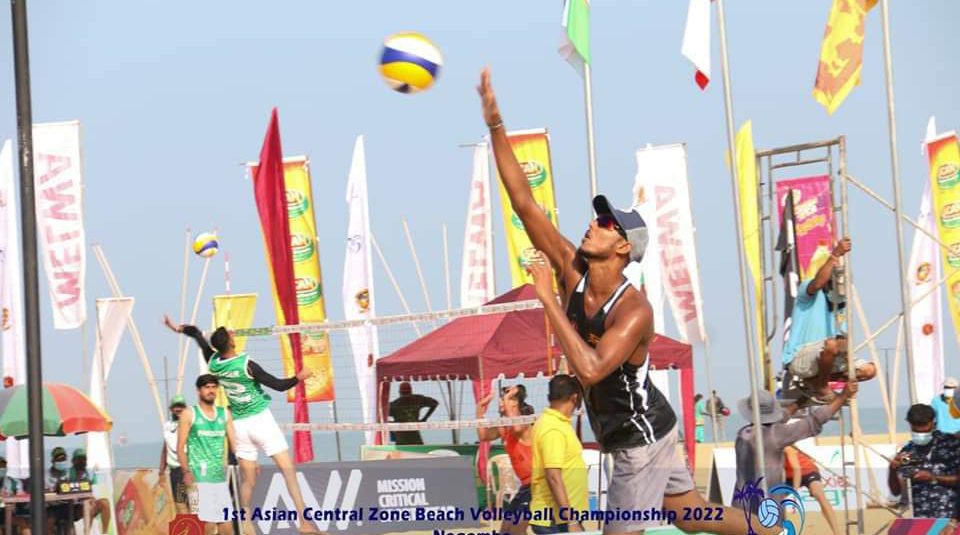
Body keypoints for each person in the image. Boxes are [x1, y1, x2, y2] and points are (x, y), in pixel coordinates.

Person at [478, 68, 776, 535]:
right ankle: (772, 531)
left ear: (623, 249)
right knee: (690, 514)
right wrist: (496, 126)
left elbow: (593, 369)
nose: (594, 224)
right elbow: (524, 204)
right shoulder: (572, 271)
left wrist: (546, 300)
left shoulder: (633, 309)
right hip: (641, 426)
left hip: (640, 437)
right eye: (597, 218)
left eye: (607, 223)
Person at [166, 317, 322, 535]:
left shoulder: (213, 362)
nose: (233, 333)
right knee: (289, 472)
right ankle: (304, 523)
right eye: (231, 334)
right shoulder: (247, 365)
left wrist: (178, 329)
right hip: (260, 421)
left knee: (249, 480)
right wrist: (300, 377)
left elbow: (197, 336)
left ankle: (245, 520)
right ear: (231, 343)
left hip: (239, 426)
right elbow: (278, 385)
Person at [781, 238, 876, 403]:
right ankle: (821, 387)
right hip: (801, 356)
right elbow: (817, 283)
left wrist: (844, 347)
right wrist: (836, 254)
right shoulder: (808, 292)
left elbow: (843, 340)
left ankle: (815, 382)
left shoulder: (840, 305)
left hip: (826, 357)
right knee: (831, 345)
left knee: (869, 370)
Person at [734, 382, 857, 496]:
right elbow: (814, 421)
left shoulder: (742, 434)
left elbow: (780, 418)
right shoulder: (776, 434)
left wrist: (800, 402)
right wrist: (843, 396)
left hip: (741, 502)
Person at [529, 375, 588, 534]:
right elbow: (553, 475)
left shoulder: (557, 422)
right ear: (574, 397)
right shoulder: (553, 428)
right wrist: (571, 520)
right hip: (556, 520)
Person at [178, 374, 236, 534]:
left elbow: (235, 444)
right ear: (199, 391)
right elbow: (180, 447)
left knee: (226, 524)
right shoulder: (189, 414)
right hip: (198, 478)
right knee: (206, 525)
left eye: (213, 387)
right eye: (207, 387)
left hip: (218, 477)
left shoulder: (224, 414)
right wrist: (186, 471)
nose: (211, 391)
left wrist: (247, 460)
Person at [476, 385, 534, 535]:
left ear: (515, 403)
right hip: (525, 486)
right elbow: (484, 436)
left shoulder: (525, 419)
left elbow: (517, 429)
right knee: (505, 530)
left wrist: (508, 399)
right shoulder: (505, 425)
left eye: (505, 400)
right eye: (502, 400)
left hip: (538, 483)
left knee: (516, 530)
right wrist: (480, 411)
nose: (501, 403)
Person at [888, 404, 960, 519]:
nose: (921, 434)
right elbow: (896, 491)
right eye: (917, 430)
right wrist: (892, 469)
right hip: (921, 519)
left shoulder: (952, 444)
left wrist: (934, 478)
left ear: (933, 422)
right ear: (909, 423)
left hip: (952, 518)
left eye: (925, 429)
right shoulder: (907, 452)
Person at [784, 444, 839, 535]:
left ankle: (837, 533)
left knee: (818, 493)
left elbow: (797, 470)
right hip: (789, 476)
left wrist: (794, 494)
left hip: (807, 471)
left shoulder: (787, 448)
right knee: (774, 499)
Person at [65, 448, 111, 534]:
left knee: (105, 502)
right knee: (88, 508)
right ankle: (87, 533)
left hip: (87, 502)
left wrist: (92, 498)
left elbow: (93, 491)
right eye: (79, 459)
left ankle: (105, 533)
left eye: (84, 459)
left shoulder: (89, 474)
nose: (82, 461)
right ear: (73, 461)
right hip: (74, 506)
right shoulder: (68, 473)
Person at [160, 394, 190, 514]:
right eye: (176, 406)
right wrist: (161, 470)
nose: (178, 409)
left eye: (181, 406)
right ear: (171, 409)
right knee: (180, 504)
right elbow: (165, 448)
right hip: (176, 472)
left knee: (194, 504)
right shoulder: (168, 426)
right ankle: (190, 531)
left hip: (189, 469)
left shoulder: (190, 423)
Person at [0, 456, 33, 535]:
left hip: (11, 514)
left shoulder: (15, 482)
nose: (1, 468)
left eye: (3, 466)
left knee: (25, 526)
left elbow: (23, 499)